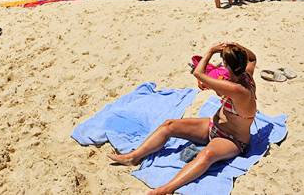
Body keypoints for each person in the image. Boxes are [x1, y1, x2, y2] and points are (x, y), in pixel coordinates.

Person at [108, 42, 258, 194]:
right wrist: (235, 45)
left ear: (226, 65)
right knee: (169, 125)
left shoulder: (237, 89)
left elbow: (198, 73)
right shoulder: (246, 74)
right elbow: (252, 59)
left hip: (232, 140)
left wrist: (211, 51)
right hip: (213, 127)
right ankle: (133, 157)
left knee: (207, 155)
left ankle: (165, 189)